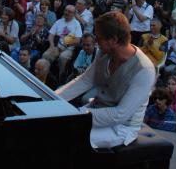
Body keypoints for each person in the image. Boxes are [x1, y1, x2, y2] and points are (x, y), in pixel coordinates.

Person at [56, 10, 157, 148]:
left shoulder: (144, 70)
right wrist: (52, 99)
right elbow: (86, 80)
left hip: (122, 127)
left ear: (114, 40)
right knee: (53, 130)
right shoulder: (104, 52)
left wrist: (77, 115)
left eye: (99, 38)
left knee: (67, 140)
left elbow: (120, 115)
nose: (96, 42)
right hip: (97, 110)